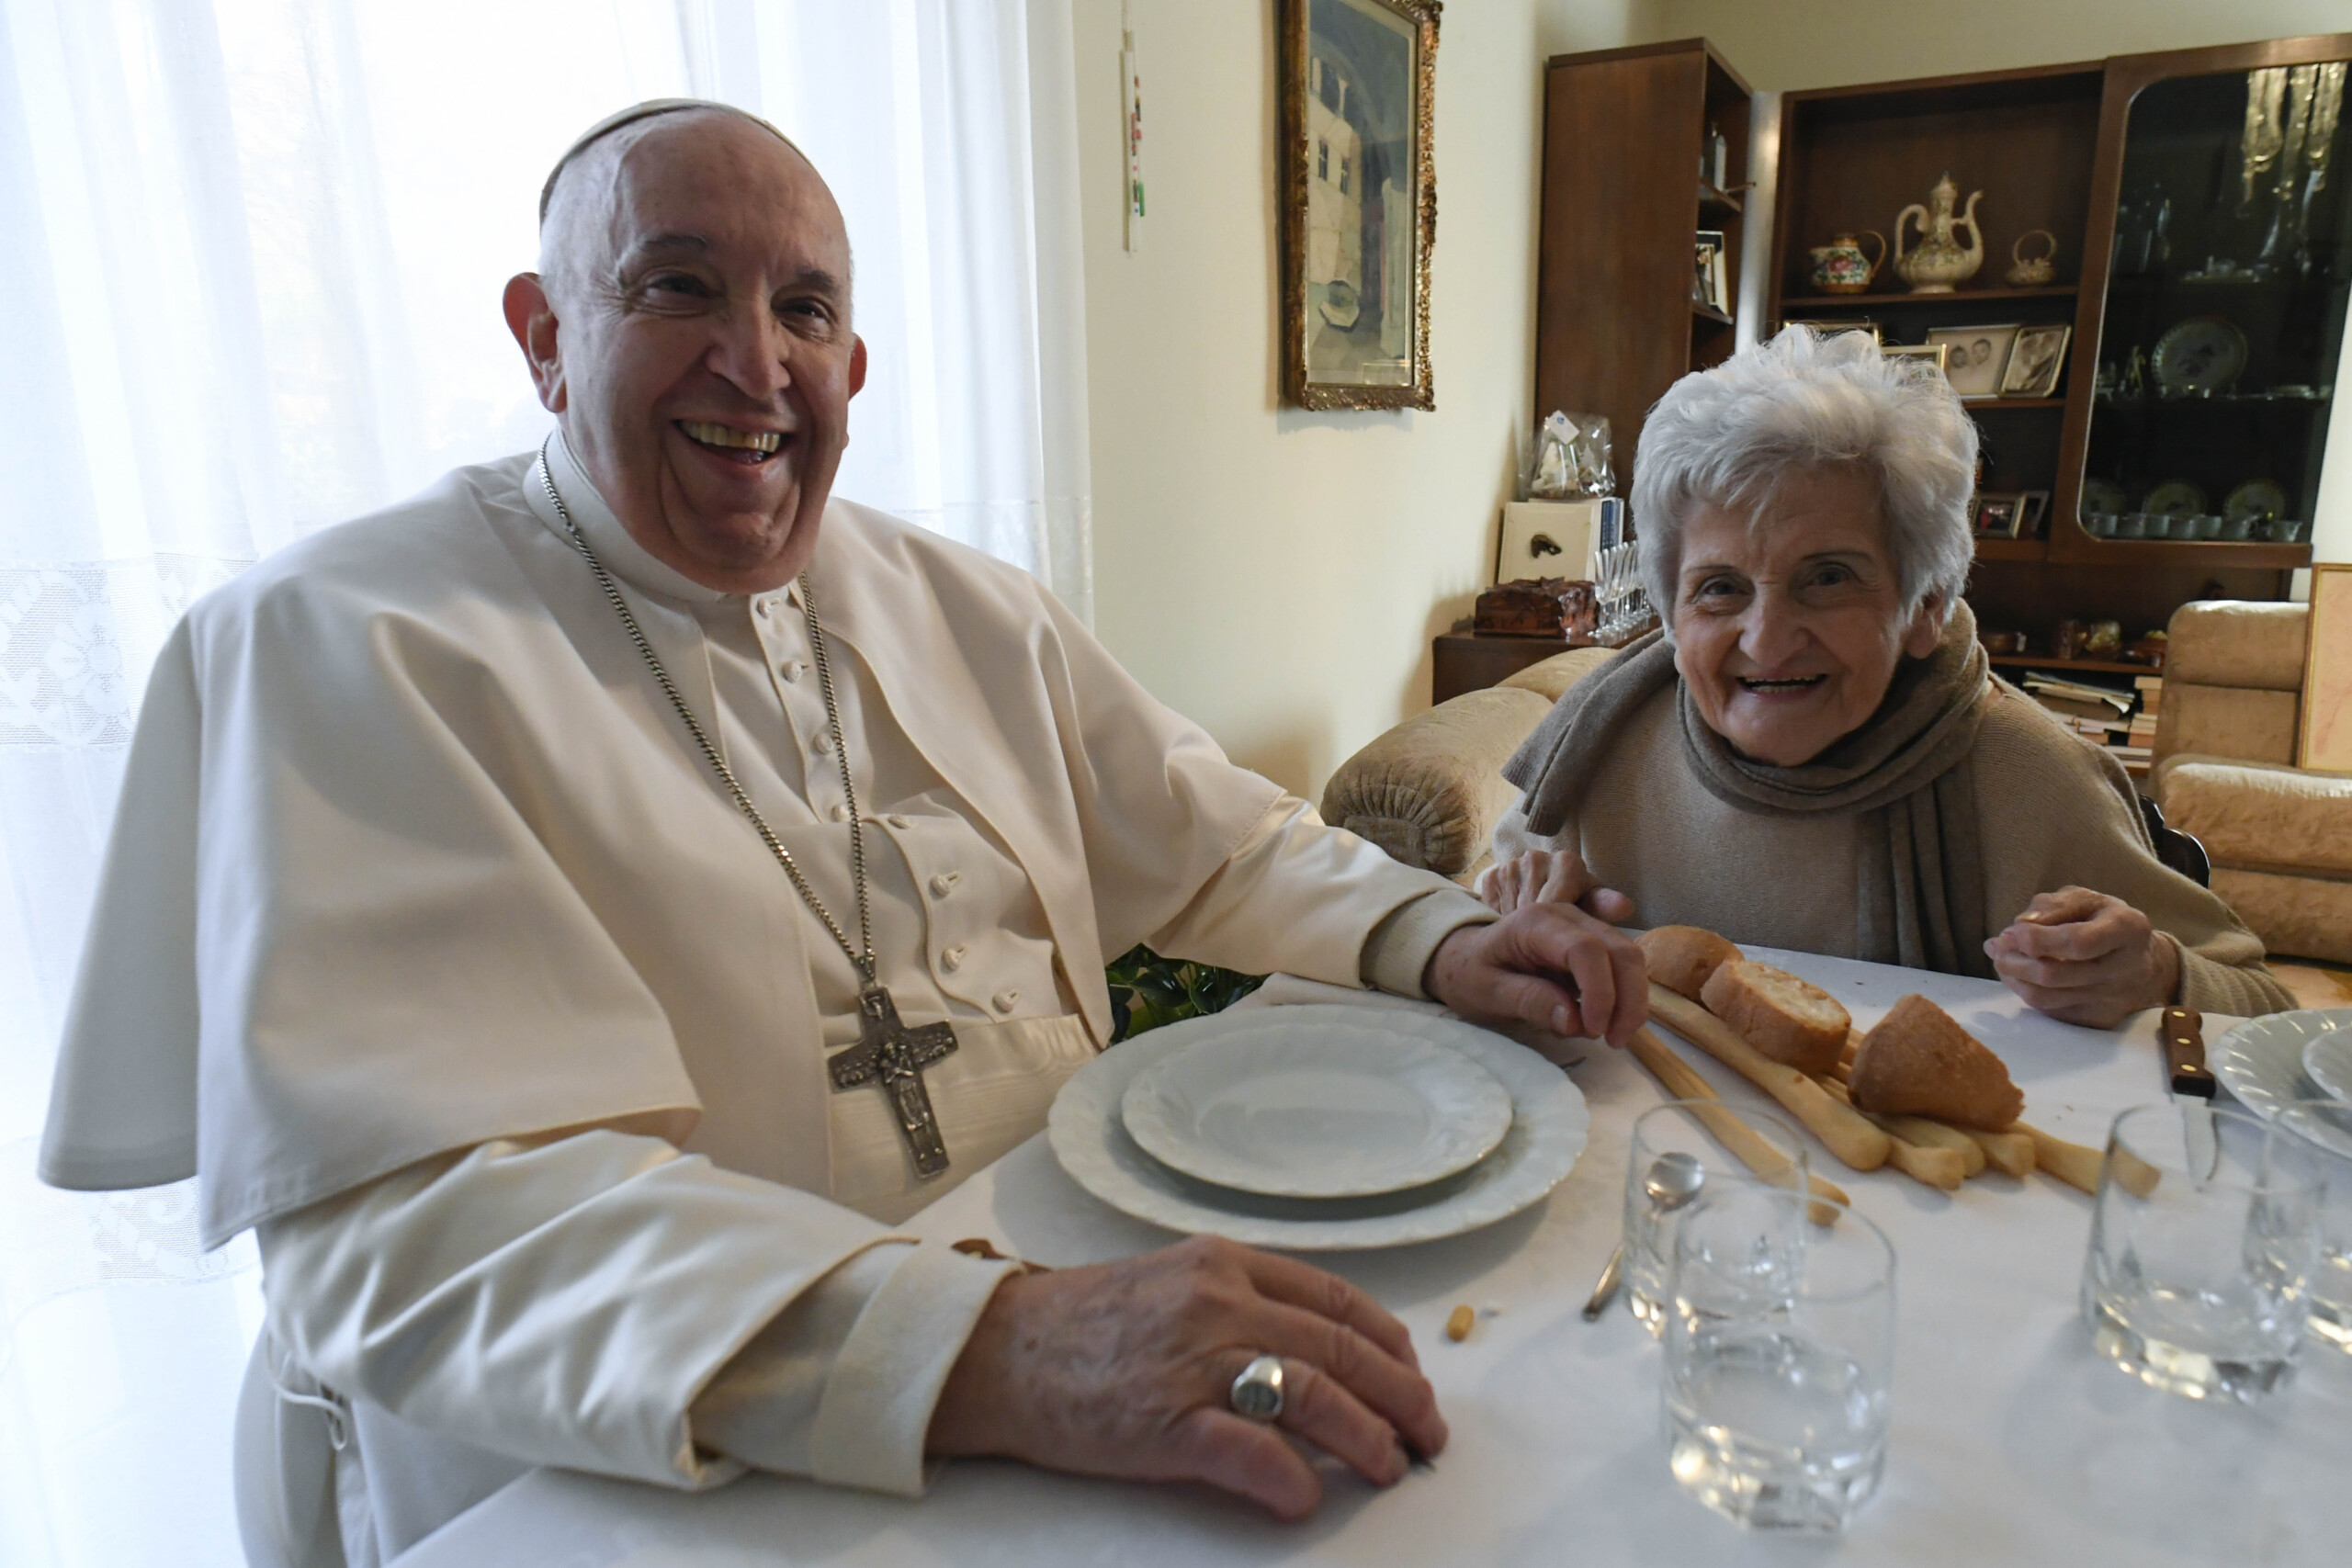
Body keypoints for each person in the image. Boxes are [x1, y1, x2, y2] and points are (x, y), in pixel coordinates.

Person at [37, 102, 1645, 1568]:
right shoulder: (346, 641)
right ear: (541, 336)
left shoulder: (963, 601)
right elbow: (415, 1223)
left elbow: (1215, 832)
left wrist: (1440, 933)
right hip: (650, 1454)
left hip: (1074, 1313)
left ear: (854, 366)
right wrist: (984, 1345)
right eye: (678, 290)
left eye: (805, 309)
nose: (757, 362)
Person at [1481, 325, 2291, 1026]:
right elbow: (1484, 923)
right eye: (1719, 587)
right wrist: (1514, 909)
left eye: (1828, 577)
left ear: (1926, 603)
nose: (1766, 641)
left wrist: (2154, 974)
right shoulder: (1604, 744)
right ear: (1670, 609)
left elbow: (2261, 1004)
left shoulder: (2027, 775)